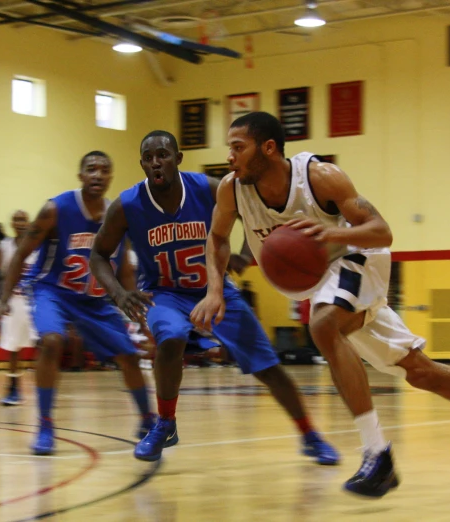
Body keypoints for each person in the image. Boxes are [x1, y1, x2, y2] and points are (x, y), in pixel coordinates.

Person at [190, 111, 450, 497]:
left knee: (323, 326)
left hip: (358, 259)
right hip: (323, 283)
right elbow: (218, 238)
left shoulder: (319, 177)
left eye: (238, 148)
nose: (231, 157)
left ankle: (378, 455)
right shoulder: (232, 190)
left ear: (268, 148)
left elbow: (383, 232)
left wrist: (331, 231)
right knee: (421, 372)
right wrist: (214, 290)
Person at [89, 130, 339, 465]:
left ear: (178, 158)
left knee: (268, 367)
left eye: (162, 154)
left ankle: (310, 435)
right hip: (165, 294)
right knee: (171, 337)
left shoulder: (208, 189)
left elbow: (255, 208)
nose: (155, 162)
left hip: (215, 291)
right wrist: (118, 294)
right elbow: (97, 255)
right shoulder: (127, 205)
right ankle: (165, 422)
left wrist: (247, 253)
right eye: (148, 158)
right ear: (142, 164)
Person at [0, 151, 155, 456]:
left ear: (111, 177)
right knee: (52, 341)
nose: (98, 174)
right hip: (52, 291)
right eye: (91, 169)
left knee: (129, 356)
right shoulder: (55, 209)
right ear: (81, 175)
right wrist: (1, 297)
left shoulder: (117, 216)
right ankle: (45, 424)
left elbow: (124, 269)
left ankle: (148, 420)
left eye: (104, 170)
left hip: (94, 300)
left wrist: (141, 320)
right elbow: (21, 253)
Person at [0, 210, 39, 406]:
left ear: (29, 223)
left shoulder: (38, 246)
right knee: (13, 347)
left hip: (35, 300)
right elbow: (1, 277)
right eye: (16, 219)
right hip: (15, 301)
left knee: (44, 344)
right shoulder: (4, 246)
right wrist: (0, 302)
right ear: (11, 223)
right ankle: (12, 388)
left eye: (23, 219)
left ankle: (44, 388)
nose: (20, 223)